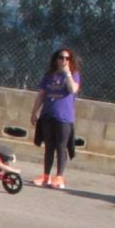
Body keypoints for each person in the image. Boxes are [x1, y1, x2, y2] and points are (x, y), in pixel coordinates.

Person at [30, 49, 80, 188]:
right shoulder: (49, 75)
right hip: (48, 115)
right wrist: (35, 112)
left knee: (61, 146)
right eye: (61, 58)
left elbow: (72, 89)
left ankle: (59, 177)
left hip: (64, 117)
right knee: (49, 147)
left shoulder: (74, 75)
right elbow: (41, 94)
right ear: (56, 59)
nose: (64, 61)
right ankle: (46, 176)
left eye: (67, 58)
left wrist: (67, 73)